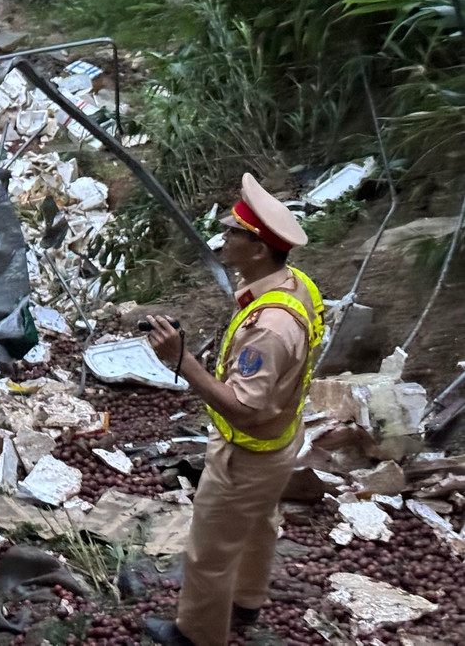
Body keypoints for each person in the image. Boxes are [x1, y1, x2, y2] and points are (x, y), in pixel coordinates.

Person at [142, 173, 324, 646]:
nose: (222, 241)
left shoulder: (269, 329)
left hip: (248, 450)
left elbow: (243, 407)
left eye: (232, 234)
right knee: (259, 522)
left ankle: (197, 635)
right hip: (282, 438)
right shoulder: (294, 284)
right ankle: (247, 600)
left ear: (259, 248)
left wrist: (181, 361)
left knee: (209, 550)